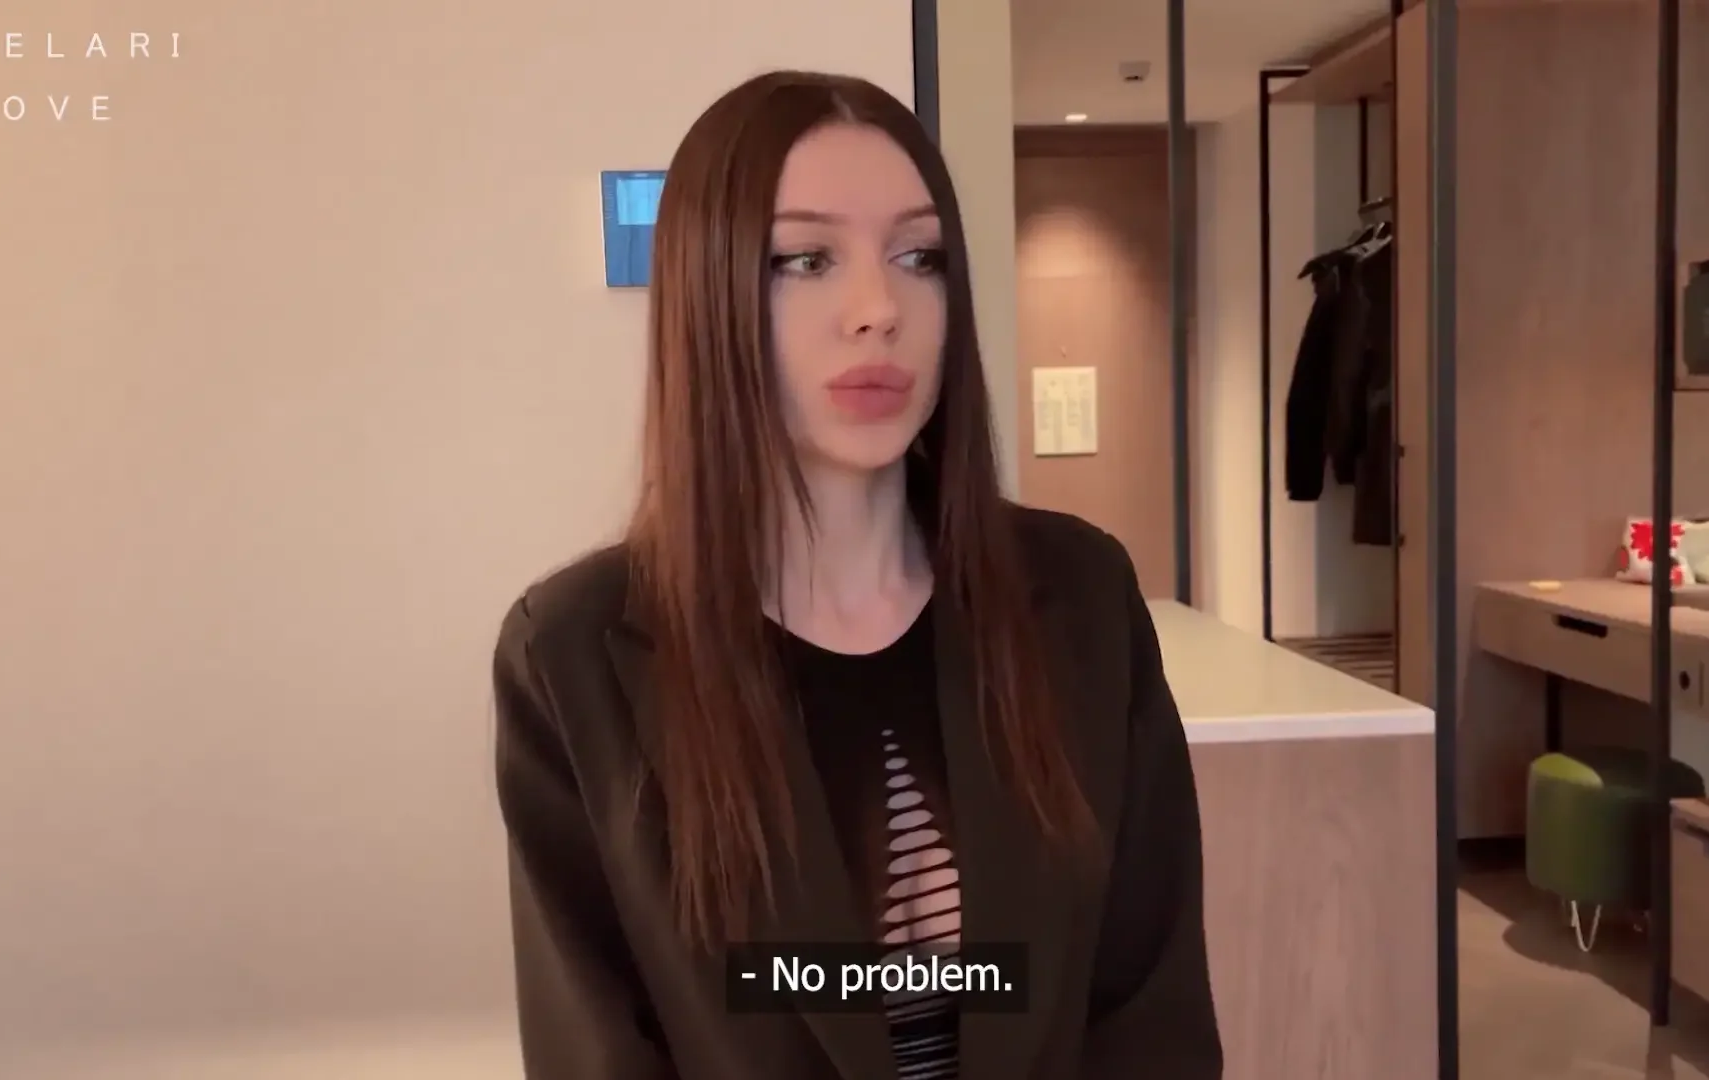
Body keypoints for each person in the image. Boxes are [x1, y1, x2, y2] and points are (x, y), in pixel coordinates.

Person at [491, 69, 1222, 1080]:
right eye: (805, 260)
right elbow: (597, 1048)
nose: (879, 309)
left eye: (920, 257)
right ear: (708, 295)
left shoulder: (1080, 595)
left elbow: (1150, 1015)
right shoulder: (573, 653)